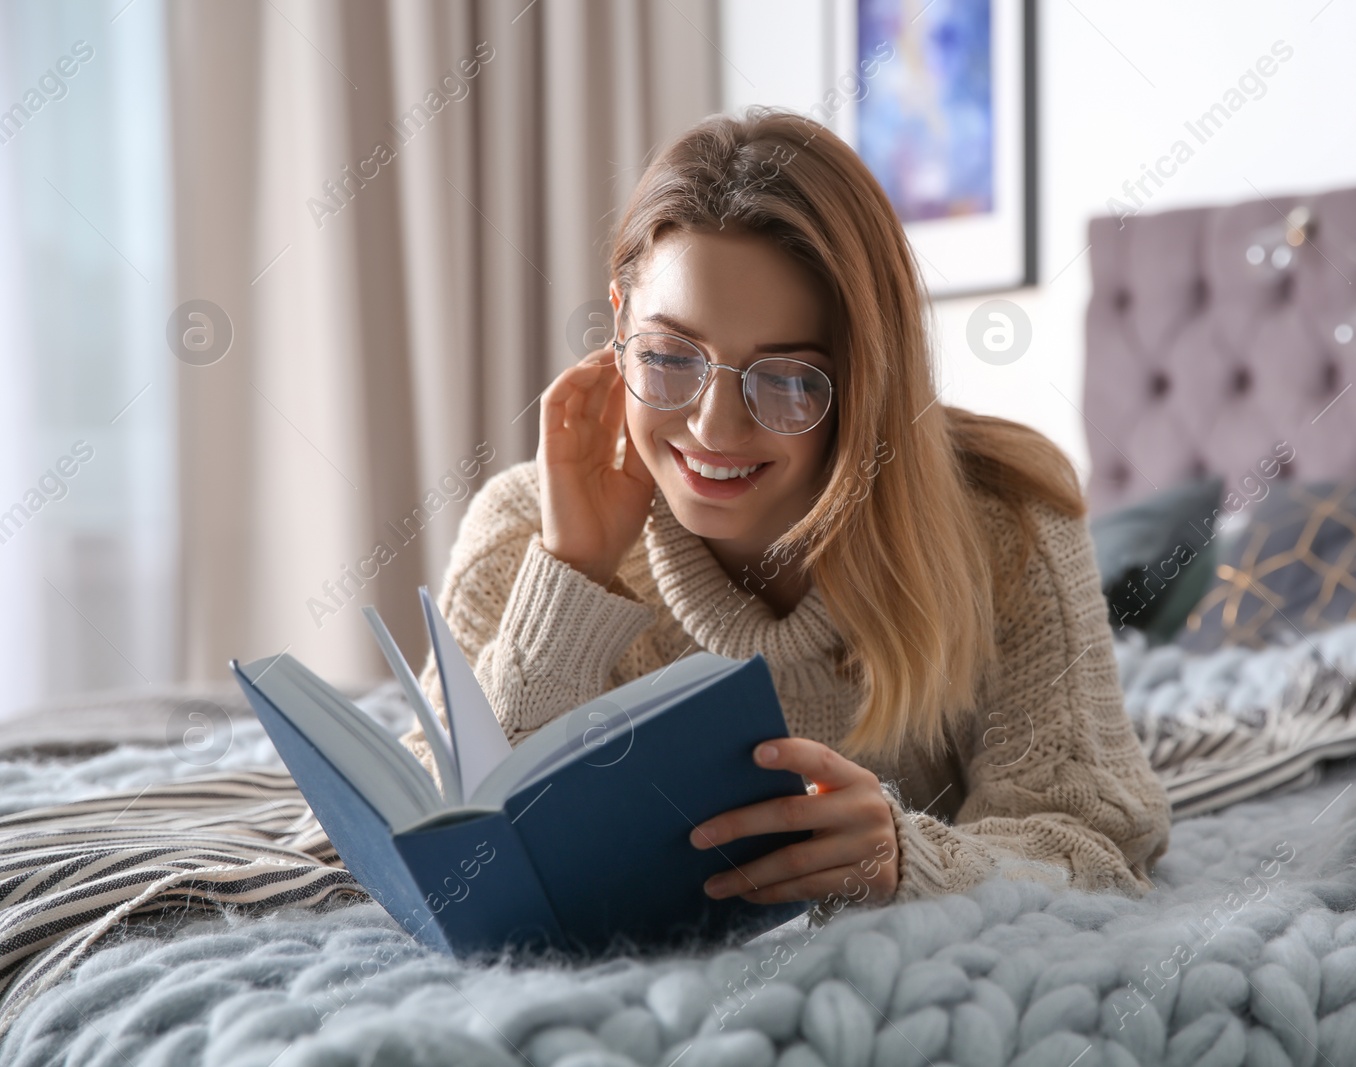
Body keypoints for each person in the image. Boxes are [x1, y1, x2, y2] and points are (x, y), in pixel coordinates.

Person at [399, 107, 1170, 911]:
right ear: (620, 320)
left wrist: (911, 861)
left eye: (789, 380)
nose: (712, 429)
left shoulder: (1008, 529)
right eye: (668, 358)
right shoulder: (527, 523)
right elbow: (439, 834)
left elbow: (1093, 843)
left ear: (867, 385)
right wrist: (572, 574)